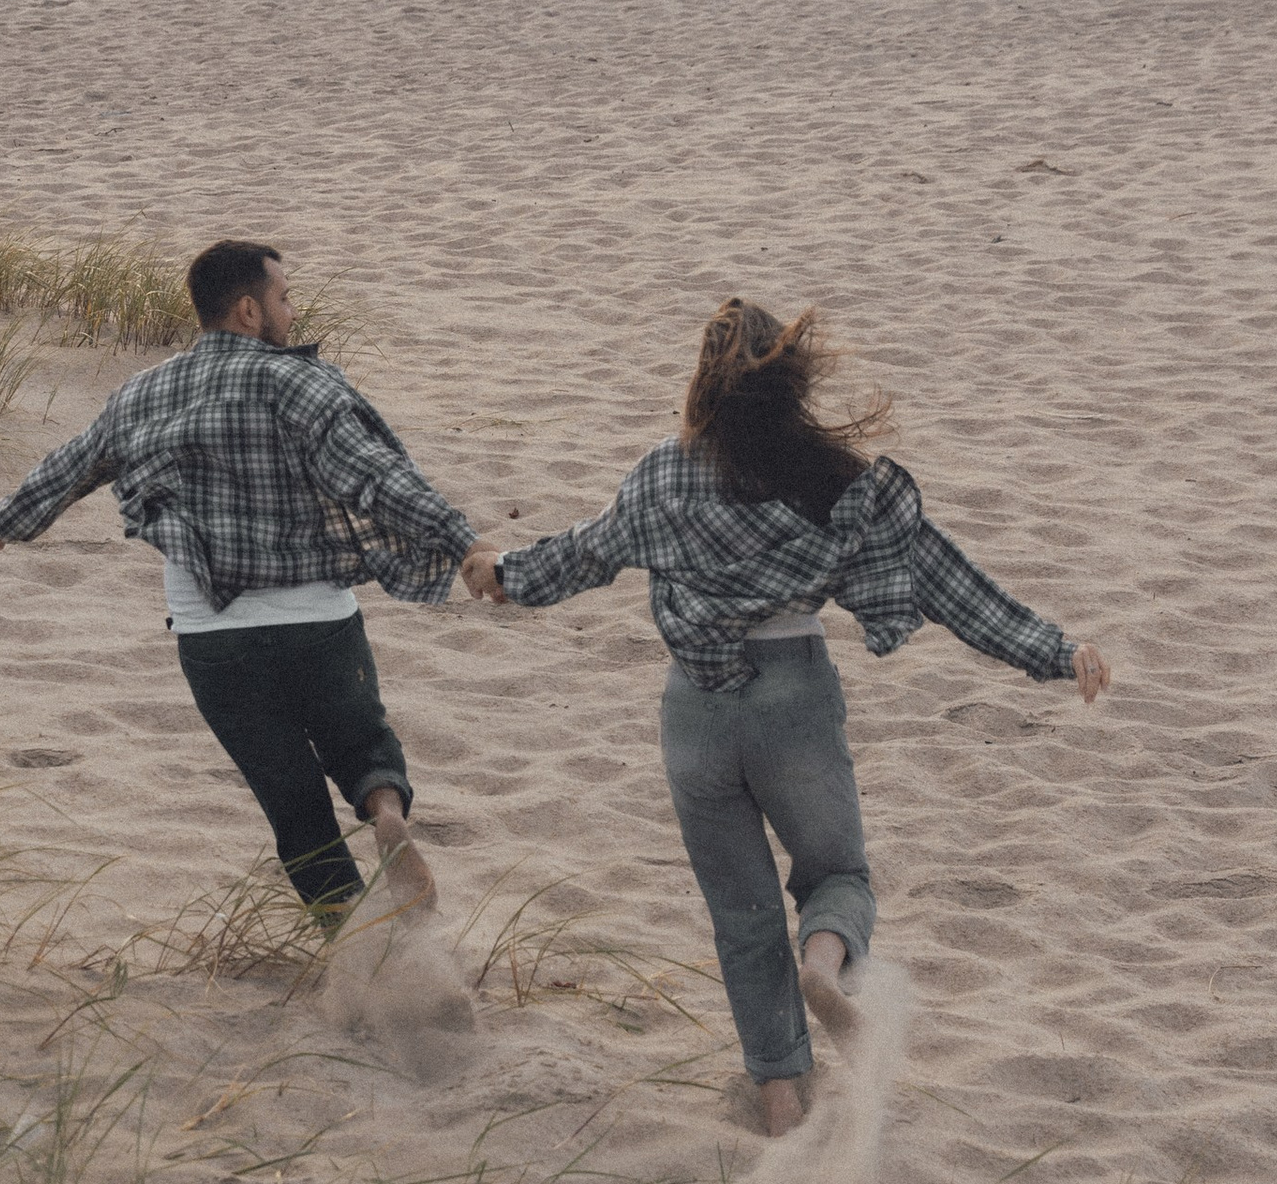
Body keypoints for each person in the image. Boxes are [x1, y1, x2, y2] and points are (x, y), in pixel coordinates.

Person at [467, 299, 1109, 1136]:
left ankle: (779, 1105)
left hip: (694, 713)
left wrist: (499, 571)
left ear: (701, 383)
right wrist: (1055, 651)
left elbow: (576, 557)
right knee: (838, 877)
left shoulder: (663, 473)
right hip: (792, 696)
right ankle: (823, 962)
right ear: (792, 381)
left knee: (740, 917)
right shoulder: (834, 480)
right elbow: (950, 584)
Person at [0, 239, 476, 924]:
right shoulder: (301, 382)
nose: (291, 312)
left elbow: (74, 465)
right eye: (283, 298)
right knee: (361, 743)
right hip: (317, 621)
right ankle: (385, 811)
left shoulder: (143, 392)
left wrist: (1, 522)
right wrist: (465, 543)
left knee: (291, 804)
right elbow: (377, 477)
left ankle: (362, 949)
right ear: (246, 309)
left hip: (213, 639)